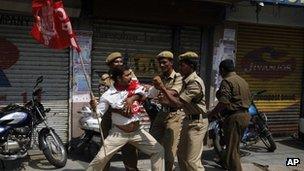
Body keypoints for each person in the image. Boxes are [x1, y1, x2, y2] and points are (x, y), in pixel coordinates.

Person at [87, 66, 165, 171]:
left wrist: (156, 86)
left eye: (130, 74)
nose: (130, 77)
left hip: (138, 132)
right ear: (119, 78)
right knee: (100, 158)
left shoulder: (135, 86)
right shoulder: (108, 95)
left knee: (158, 150)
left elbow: (149, 94)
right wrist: (94, 107)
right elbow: (98, 113)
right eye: (127, 75)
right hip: (118, 133)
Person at [153, 51, 208, 171]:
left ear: (191, 66)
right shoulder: (185, 80)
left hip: (197, 123)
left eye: (183, 65)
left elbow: (178, 103)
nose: (180, 68)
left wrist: (162, 88)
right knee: (181, 156)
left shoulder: (194, 82)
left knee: (192, 161)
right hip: (188, 120)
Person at [91, 52, 139, 171]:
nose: (119, 63)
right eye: (116, 62)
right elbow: (103, 99)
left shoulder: (130, 75)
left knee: (130, 149)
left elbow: (138, 92)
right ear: (110, 65)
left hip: (127, 118)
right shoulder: (105, 79)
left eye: (120, 61)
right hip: (109, 118)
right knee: (106, 150)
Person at [208, 59, 251, 171]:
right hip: (245, 115)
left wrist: (212, 114)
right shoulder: (242, 81)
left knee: (232, 151)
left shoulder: (227, 81)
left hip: (235, 117)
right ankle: (226, 165)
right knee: (234, 147)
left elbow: (224, 102)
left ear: (222, 70)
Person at [149, 50, 183, 171]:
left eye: (164, 62)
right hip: (161, 113)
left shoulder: (178, 77)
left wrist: (161, 87)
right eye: (160, 63)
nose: (162, 65)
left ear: (171, 62)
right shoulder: (161, 77)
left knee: (169, 151)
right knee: (152, 144)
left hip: (174, 115)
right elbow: (152, 94)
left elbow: (174, 94)